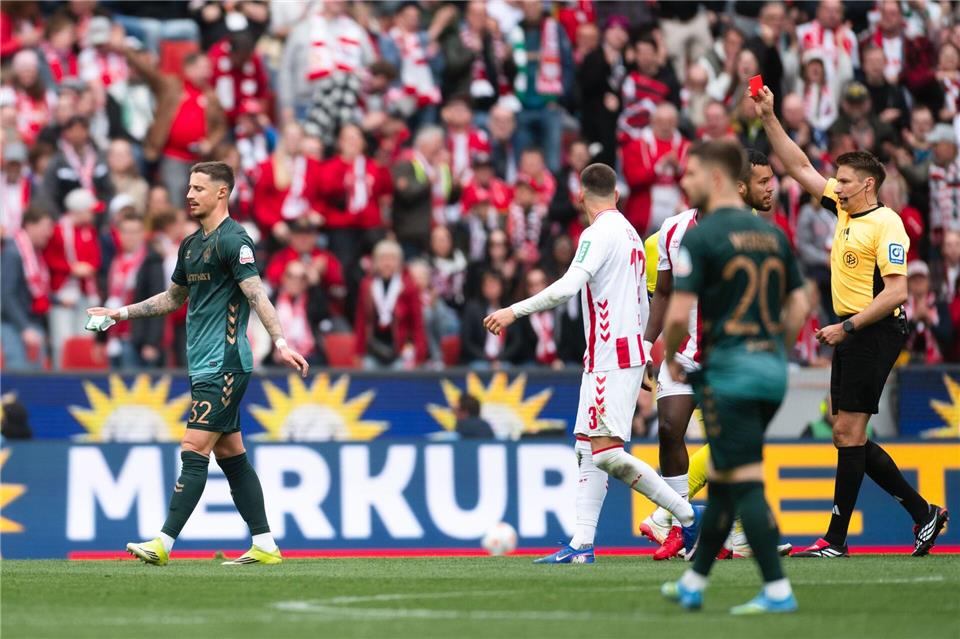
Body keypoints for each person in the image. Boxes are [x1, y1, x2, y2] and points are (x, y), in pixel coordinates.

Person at [754, 84, 949, 557]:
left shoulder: (887, 224)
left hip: (874, 329)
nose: (834, 186)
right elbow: (799, 166)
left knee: (847, 433)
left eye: (842, 180)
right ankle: (924, 515)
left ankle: (837, 539)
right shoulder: (844, 210)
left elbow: (898, 291)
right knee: (847, 431)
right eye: (835, 180)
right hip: (852, 330)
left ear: (866, 184)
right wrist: (768, 117)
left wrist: (849, 327)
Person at [87, 161, 309, 566]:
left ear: (222, 193)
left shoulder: (234, 240)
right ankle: (264, 543)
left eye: (198, 188)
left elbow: (257, 295)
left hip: (225, 362)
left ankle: (163, 543)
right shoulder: (190, 245)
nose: (189, 194)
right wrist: (118, 314)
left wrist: (279, 341)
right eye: (189, 187)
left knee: (193, 446)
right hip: (203, 365)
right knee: (231, 454)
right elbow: (172, 299)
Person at [483, 163, 702, 564]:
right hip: (616, 354)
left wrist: (514, 310)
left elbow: (568, 286)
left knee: (603, 451)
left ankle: (688, 516)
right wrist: (644, 352)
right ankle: (582, 544)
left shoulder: (596, 233)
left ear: (580, 196)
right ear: (616, 194)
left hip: (611, 356)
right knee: (586, 447)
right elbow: (643, 297)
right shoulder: (631, 235)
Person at [660, 140, 808, 614]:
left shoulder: (702, 238)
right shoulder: (772, 234)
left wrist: (670, 356)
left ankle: (777, 589)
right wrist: (773, 347)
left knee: (742, 479)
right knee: (724, 478)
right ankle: (695, 581)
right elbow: (801, 306)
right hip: (770, 371)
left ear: (718, 178)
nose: (685, 183)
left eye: (693, 175)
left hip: (729, 373)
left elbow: (679, 315)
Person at [44, 188, 102, 368]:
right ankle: (61, 383)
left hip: (86, 295)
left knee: (85, 341)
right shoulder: (58, 230)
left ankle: (82, 381)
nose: (93, 214)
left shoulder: (89, 231)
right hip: (64, 295)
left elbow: (95, 259)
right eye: (90, 210)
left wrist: (87, 268)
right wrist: (71, 268)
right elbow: (48, 260)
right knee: (63, 342)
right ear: (78, 211)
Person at [354, 239, 428, 370]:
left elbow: (417, 322)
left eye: (392, 259)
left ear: (399, 263)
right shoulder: (367, 285)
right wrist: (358, 352)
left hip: (400, 350)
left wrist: (419, 353)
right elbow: (361, 320)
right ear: (375, 262)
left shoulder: (408, 286)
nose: (387, 264)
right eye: (383, 259)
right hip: (373, 349)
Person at [1, 207, 54, 370]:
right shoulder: (13, 253)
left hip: (31, 322)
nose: (49, 233)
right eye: (46, 226)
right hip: (14, 325)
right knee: (22, 374)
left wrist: (58, 299)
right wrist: (24, 328)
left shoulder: (34, 254)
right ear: (30, 225)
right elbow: (7, 295)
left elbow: (35, 289)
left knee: (37, 376)